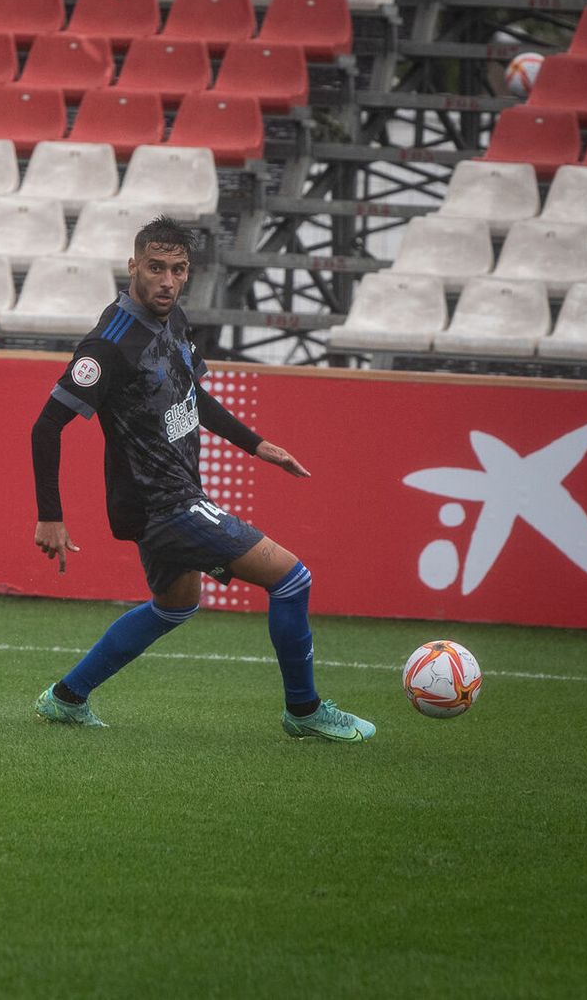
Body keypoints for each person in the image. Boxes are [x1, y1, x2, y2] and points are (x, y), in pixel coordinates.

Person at [28, 215, 372, 741]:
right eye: (156, 268)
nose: (167, 281)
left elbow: (196, 397)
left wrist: (257, 445)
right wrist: (50, 516)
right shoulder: (108, 345)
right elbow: (46, 425)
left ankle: (67, 698)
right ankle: (304, 711)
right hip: (162, 505)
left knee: (175, 606)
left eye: (178, 270)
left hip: (173, 498)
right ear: (133, 267)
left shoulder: (175, 319)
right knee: (292, 578)